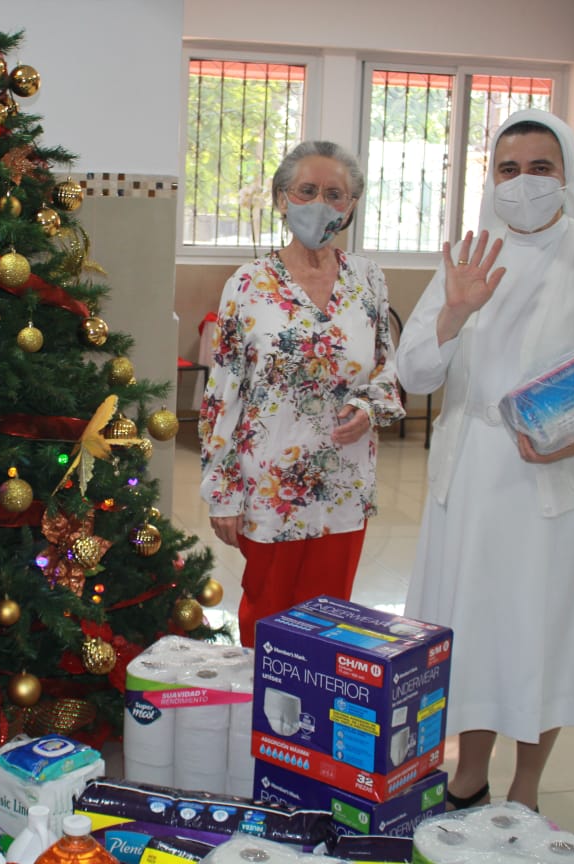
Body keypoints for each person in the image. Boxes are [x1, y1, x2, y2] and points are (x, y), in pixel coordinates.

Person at [397, 109, 574, 812]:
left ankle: (528, 788)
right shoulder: (469, 254)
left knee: (547, 629)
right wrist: (453, 314)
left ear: (566, 174)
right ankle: (468, 774)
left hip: (563, 479)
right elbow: (415, 373)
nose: (523, 184)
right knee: (474, 628)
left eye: (540, 168)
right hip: (476, 475)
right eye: (508, 170)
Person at [200, 140, 405, 648]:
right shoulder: (247, 284)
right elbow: (221, 393)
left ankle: (317, 721)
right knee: (268, 613)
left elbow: (388, 367)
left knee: (332, 620)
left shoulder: (368, 280)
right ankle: (263, 724)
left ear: (352, 204)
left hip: (344, 481)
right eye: (307, 190)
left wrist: (369, 405)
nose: (320, 204)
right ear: (281, 199)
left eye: (335, 194)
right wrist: (221, 490)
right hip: (270, 485)